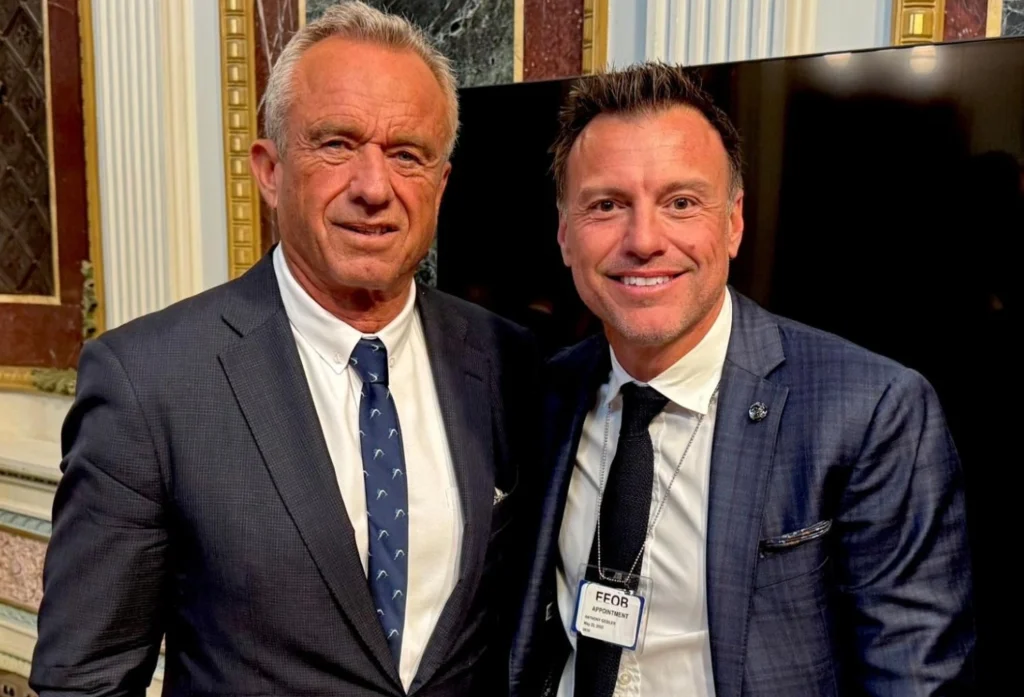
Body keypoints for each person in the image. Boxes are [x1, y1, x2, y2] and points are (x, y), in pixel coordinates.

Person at [31, 3, 538, 696]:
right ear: (269, 171)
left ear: (440, 184)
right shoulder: (151, 384)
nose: (374, 188)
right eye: (336, 144)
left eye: (406, 155)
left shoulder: (507, 360)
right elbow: (84, 680)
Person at [511, 63, 975, 696]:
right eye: (607, 205)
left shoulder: (870, 411)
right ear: (566, 235)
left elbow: (913, 679)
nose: (643, 240)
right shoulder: (541, 394)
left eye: (681, 203)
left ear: (733, 223)